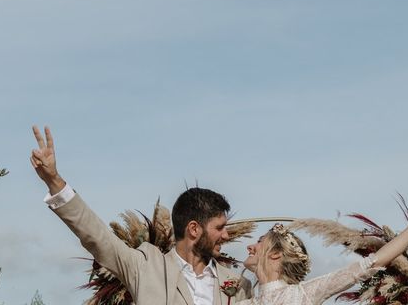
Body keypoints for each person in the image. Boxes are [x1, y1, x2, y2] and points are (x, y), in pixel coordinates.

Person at [30, 126, 250, 305]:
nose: (226, 235)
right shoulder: (146, 267)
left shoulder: (239, 285)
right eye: (219, 227)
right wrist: (54, 182)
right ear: (194, 229)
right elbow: (98, 238)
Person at [239, 209, 408, 305]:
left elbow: (372, 262)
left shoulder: (301, 295)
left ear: (275, 254)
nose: (250, 246)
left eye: (259, 241)